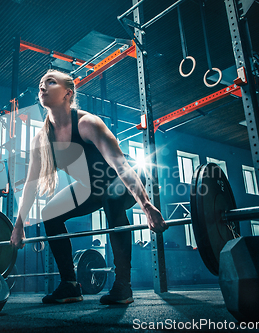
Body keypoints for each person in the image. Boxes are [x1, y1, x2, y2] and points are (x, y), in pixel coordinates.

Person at [10, 69, 167, 305]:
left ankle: (123, 285)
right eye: (41, 83)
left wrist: (146, 205)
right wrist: (19, 225)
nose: (42, 87)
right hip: (90, 187)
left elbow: (121, 166)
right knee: (49, 214)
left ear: (67, 93)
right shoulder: (42, 139)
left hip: (122, 179)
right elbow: (30, 186)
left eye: (51, 82)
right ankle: (70, 285)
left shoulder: (87, 124)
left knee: (112, 200)